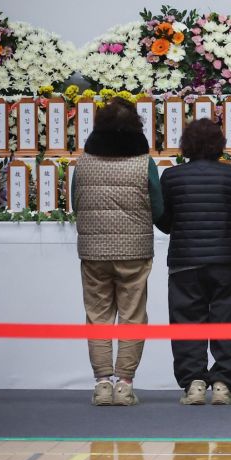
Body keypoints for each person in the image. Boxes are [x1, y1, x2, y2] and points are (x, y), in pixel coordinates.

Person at [156, 119, 231, 406]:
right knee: (229, 319)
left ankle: (194, 384)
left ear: (186, 145)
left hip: (185, 260)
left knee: (187, 321)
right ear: (219, 145)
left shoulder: (172, 177)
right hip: (227, 259)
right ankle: (224, 384)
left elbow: (163, 219)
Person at [72, 97, 164, 406]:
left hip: (94, 251)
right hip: (135, 251)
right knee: (133, 315)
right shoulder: (144, 163)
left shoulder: (83, 163)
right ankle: (124, 384)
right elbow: (159, 208)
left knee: (97, 316)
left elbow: (76, 204)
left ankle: (101, 384)